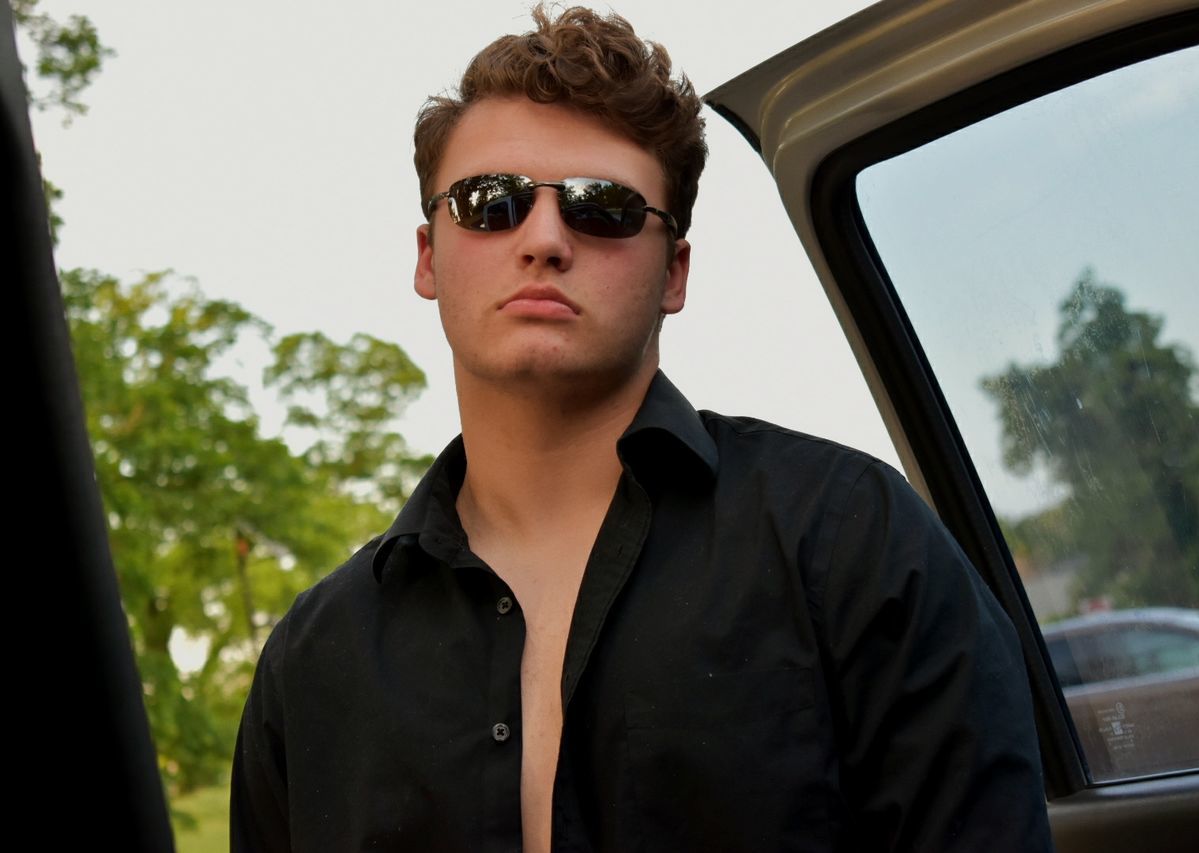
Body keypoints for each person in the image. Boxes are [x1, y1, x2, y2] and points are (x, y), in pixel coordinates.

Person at [230, 6, 1054, 851]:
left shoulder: (854, 544)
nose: (544, 238)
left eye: (605, 208)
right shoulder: (312, 660)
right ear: (428, 256)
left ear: (675, 272)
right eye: (492, 203)